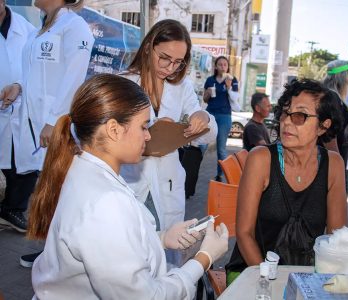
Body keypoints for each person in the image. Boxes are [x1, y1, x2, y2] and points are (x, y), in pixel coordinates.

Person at [27, 74, 229, 299]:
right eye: (144, 126)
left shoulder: (87, 169)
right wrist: (203, 259)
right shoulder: (105, 201)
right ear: (114, 130)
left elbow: (115, 246)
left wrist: (162, 238)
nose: (148, 135)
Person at [226, 79, 347, 284]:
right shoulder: (261, 159)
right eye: (285, 112)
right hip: (252, 271)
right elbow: (244, 234)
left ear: (323, 126)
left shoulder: (332, 165)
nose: (287, 122)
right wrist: (270, 283)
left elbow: (336, 240)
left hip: (306, 278)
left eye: (300, 115)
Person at [2, 0, 94, 267]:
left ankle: (66, 260)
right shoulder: (39, 30)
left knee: (65, 192)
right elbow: (36, 75)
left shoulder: (74, 26)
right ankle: (53, 255)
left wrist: (55, 120)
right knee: (53, 192)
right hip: (37, 127)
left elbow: (74, 76)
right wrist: (18, 86)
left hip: (58, 127)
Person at [120, 19, 217, 231]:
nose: (170, 68)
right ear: (148, 47)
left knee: (166, 251)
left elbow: (208, 136)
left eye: (178, 62)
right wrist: (149, 130)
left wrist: (203, 117)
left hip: (168, 185)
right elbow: (98, 135)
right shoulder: (121, 84)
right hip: (129, 183)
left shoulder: (182, 87)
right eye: (164, 58)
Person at [0, 0, 36, 233]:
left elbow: (36, 68)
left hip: (20, 107)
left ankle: (12, 209)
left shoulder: (26, 29)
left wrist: (18, 86)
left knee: (22, 164)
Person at [203, 56, 240, 182]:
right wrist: (207, 93)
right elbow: (205, 99)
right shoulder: (210, 80)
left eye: (225, 64)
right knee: (202, 145)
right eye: (220, 64)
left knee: (221, 149)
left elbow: (235, 99)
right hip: (210, 114)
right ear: (216, 66)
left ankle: (222, 176)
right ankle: (193, 172)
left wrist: (229, 87)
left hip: (224, 116)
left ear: (228, 66)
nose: (223, 66)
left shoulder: (232, 79)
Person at [323, 60, 348, 194]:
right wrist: (338, 165)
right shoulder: (332, 98)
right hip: (330, 165)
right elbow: (328, 135)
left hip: (332, 162)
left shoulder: (331, 97)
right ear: (342, 77)